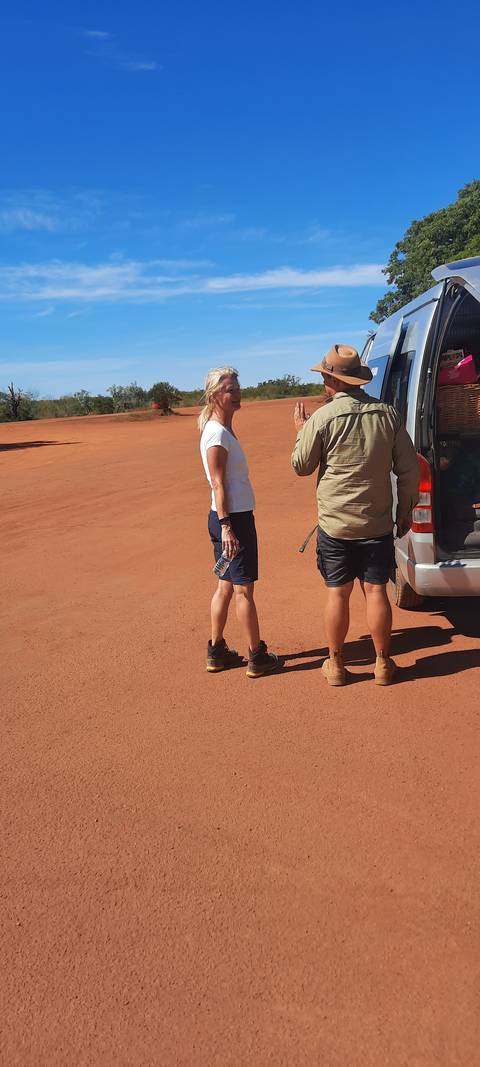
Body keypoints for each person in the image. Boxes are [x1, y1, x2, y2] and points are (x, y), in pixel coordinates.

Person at [291, 344, 419, 686]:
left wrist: (302, 431)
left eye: (325, 377)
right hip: (376, 521)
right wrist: (404, 511)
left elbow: (301, 466)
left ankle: (335, 665)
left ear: (332, 380)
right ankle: (382, 664)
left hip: (335, 524)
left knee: (338, 592)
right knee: (375, 591)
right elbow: (408, 469)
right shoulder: (387, 414)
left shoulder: (321, 417)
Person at [199, 366, 279, 678]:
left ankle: (217, 651)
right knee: (244, 591)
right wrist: (228, 526)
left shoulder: (219, 429)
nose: (237, 393)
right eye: (230, 389)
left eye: (237, 387)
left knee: (226, 585)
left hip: (228, 518)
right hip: (233, 520)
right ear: (214, 396)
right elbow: (218, 484)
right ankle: (257, 657)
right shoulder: (217, 433)